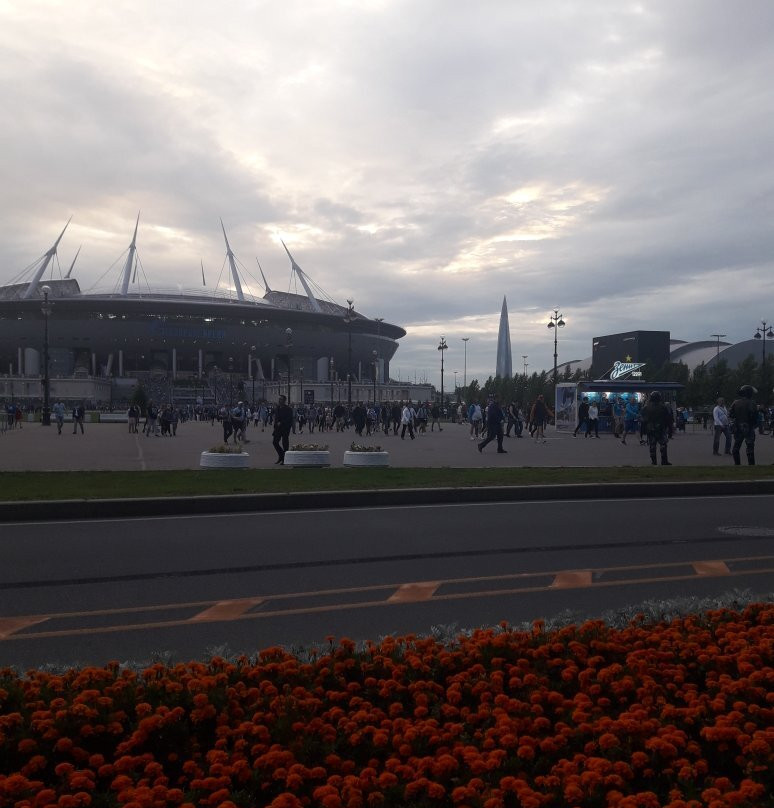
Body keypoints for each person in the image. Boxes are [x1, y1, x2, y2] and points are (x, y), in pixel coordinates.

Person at [640, 390, 674, 466]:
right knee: (663, 445)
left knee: (652, 446)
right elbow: (668, 419)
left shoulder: (646, 408)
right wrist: (670, 430)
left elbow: (643, 420)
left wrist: (642, 431)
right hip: (661, 429)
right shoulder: (663, 407)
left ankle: (654, 462)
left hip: (651, 429)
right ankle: (664, 461)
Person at [729, 384, 758, 465]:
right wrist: (754, 424)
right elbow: (753, 415)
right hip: (748, 427)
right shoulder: (752, 403)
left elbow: (731, 414)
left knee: (736, 447)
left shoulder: (735, 402)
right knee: (750, 447)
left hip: (738, 427)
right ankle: (751, 465)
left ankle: (737, 465)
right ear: (749, 393)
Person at [272, 394, 294, 464]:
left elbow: (289, 419)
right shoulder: (277, 408)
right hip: (277, 429)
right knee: (275, 442)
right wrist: (275, 425)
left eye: (281, 399)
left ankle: (285, 459)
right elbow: (276, 418)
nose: (279, 400)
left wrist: (281, 423)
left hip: (285, 429)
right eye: (279, 399)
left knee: (285, 444)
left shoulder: (288, 409)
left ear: (284, 400)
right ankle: (281, 455)